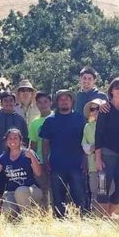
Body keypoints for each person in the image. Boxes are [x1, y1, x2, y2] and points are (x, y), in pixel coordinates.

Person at [40, 89, 88, 218]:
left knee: (79, 194)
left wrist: (85, 160)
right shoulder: (50, 120)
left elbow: (86, 140)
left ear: (72, 101)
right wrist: (45, 161)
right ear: (57, 102)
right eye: (61, 99)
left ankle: (81, 219)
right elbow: (45, 142)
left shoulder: (80, 118)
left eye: (67, 98)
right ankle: (60, 221)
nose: (64, 101)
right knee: (58, 196)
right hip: (56, 164)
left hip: (77, 164)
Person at [93, 78, 119, 216]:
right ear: (111, 91)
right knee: (103, 187)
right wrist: (98, 158)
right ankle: (101, 219)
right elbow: (98, 135)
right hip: (106, 153)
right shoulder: (105, 109)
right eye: (116, 88)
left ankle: (108, 214)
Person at [0, 128, 44, 218]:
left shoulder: (28, 153)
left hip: (32, 190)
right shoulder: (3, 157)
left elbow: (38, 173)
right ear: (6, 141)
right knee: (7, 211)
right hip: (12, 193)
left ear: (20, 140)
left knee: (20, 191)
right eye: (10, 138)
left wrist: (32, 157)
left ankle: (28, 218)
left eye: (15, 138)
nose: (12, 141)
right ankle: (18, 220)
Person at [0, 91, 28, 209]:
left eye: (11, 100)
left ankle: (17, 213)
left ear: (15, 103)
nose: (8, 103)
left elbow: (25, 138)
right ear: (1, 103)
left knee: (17, 187)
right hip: (0, 159)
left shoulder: (20, 119)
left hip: (17, 161)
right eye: (5, 101)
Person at [28, 91, 53, 204]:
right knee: (43, 189)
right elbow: (33, 144)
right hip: (40, 161)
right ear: (36, 105)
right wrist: (33, 162)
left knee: (56, 188)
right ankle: (44, 215)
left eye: (46, 102)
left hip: (56, 159)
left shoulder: (56, 118)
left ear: (51, 103)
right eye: (40, 103)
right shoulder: (34, 123)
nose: (43, 105)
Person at [81, 97, 104, 215]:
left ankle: (107, 215)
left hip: (108, 165)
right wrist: (97, 146)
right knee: (95, 191)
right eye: (92, 109)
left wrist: (94, 147)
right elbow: (85, 148)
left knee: (106, 191)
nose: (95, 111)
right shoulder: (87, 127)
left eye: (98, 108)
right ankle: (96, 215)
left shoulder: (110, 125)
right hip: (93, 165)